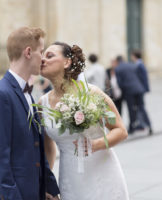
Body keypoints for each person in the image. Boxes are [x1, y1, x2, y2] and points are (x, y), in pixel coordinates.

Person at [39, 42, 129, 199]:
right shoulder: (42, 103)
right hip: (70, 177)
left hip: (102, 173)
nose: (42, 60)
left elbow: (121, 130)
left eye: (50, 56)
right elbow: (48, 147)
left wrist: (96, 144)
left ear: (67, 62)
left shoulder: (91, 92)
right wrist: (47, 184)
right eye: (42, 56)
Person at [0, 27, 59, 200]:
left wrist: (50, 188)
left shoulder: (28, 94)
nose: (43, 59)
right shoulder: (0, 94)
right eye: (41, 52)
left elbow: (36, 147)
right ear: (28, 52)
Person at [114, 55, 145, 134]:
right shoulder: (132, 65)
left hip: (128, 91)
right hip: (139, 89)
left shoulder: (118, 68)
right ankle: (144, 124)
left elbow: (119, 83)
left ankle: (132, 127)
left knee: (131, 109)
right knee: (140, 108)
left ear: (117, 61)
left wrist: (123, 91)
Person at [131, 50, 153, 134]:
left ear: (134, 56)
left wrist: (145, 89)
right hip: (140, 89)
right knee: (139, 107)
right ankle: (141, 124)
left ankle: (147, 124)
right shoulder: (138, 64)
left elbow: (144, 78)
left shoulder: (139, 65)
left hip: (139, 90)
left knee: (141, 107)